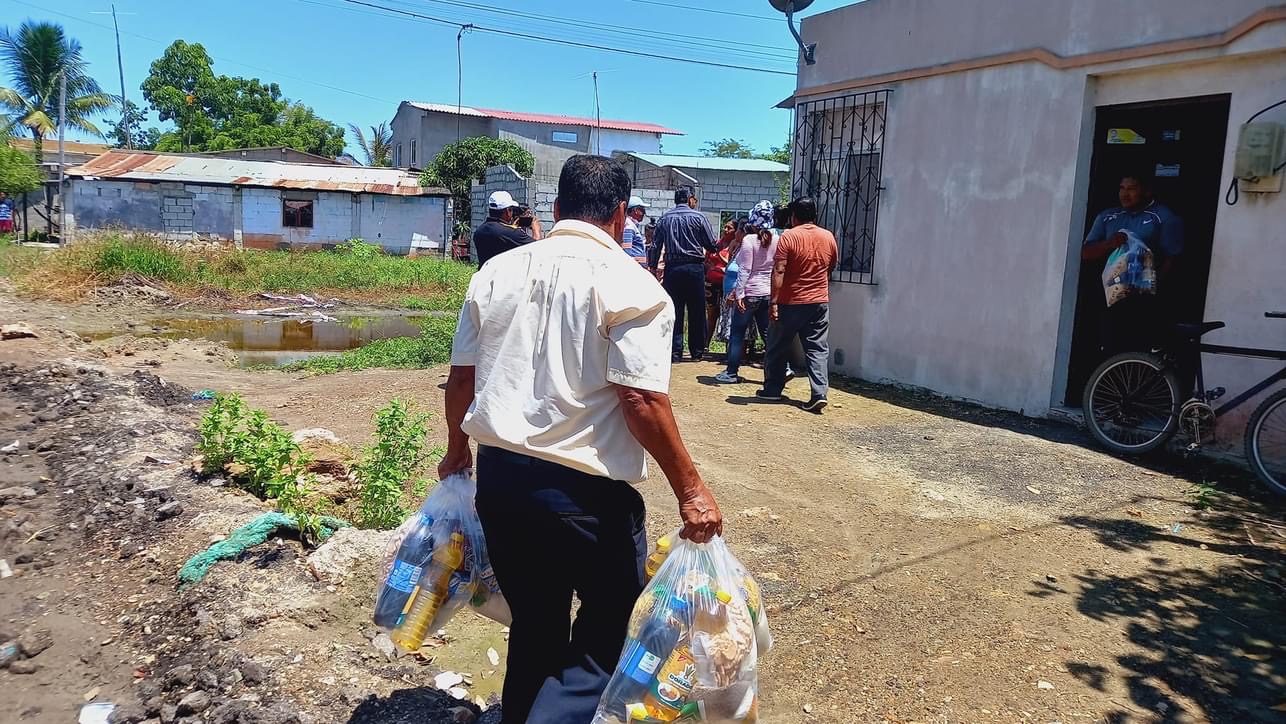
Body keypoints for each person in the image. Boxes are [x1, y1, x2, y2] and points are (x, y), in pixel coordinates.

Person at [439, 154, 723, 724]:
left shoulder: (494, 274)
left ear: (556, 207)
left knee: (535, 623)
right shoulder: (633, 285)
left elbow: (462, 379)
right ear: (621, 213)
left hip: (501, 483)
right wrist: (692, 491)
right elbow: (641, 400)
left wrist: (456, 450)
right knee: (603, 635)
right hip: (585, 500)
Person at [1082, 172, 1184, 354]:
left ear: (1147, 191)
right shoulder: (1108, 217)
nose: (1125, 194)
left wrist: (1153, 289)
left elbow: (1173, 258)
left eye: (1132, 189)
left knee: (1139, 349)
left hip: (1144, 298)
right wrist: (1108, 244)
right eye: (1122, 188)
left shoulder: (1163, 217)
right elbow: (1086, 253)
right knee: (1110, 347)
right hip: (1110, 296)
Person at [758, 197, 838, 412]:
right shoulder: (828, 236)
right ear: (814, 215)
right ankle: (819, 393)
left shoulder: (789, 236)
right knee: (817, 348)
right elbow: (831, 266)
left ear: (794, 217)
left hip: (790, 301)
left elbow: (779, 270)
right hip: (819, 301)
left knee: (777, 345)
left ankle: (772, 390)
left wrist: (774, 302)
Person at [650, 187, 717, 362]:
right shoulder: (699, 217)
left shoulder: (665, 218)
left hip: (672, 269)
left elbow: (655, 246)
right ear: (689, 199)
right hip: (695, 268)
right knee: (697, 310)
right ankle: (697, 352)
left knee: (675, 310)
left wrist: (652, 267)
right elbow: (711, 244)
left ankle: (675, 351)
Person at [716, 202, 778, 384]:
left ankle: (731, 372)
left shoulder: (749, 240)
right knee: (768, 334)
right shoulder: (777, 239)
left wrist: (739, 293)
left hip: (750, 293)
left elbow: (745, 270)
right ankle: (784, 367)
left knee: (737, 333)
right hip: (767, 293)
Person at [474, 191, 537, 268]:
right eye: (512, 209)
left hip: (485, 274)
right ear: (507, 211)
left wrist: (512, 227)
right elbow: (537, 248)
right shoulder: (511, 233)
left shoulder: (479, 231)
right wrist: (536, 227)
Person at [622, 196, 650, 268]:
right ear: (636, 210)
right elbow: (626, 251)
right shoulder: (629, 226)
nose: (644, 213)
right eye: (642, 210)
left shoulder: (632, 225)